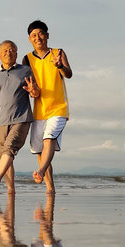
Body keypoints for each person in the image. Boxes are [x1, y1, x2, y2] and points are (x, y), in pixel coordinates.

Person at [0, 40, 40, 193]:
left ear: (16, 53)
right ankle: (11, 191)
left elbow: (36, 93)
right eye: (5, 51)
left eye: (12, 50)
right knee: (4, 157)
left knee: (9, 150)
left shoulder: (26, 71)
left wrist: (33, 91)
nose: (8, 53)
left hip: (21, 118)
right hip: (1, 121)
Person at [23, 20, 73, 194]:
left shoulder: (58, 53)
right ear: (29, 39)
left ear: (47, 35)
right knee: (39, 150)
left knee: (49, 138)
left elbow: (69, 74)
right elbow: (30, 86)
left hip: (58, 107)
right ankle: (50, 188)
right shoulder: (27, 59)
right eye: (34, 35)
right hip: (39, 111)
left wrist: (59, 66)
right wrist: (32, 91)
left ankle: (42, 171)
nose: (38, 38)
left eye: (41, 34)